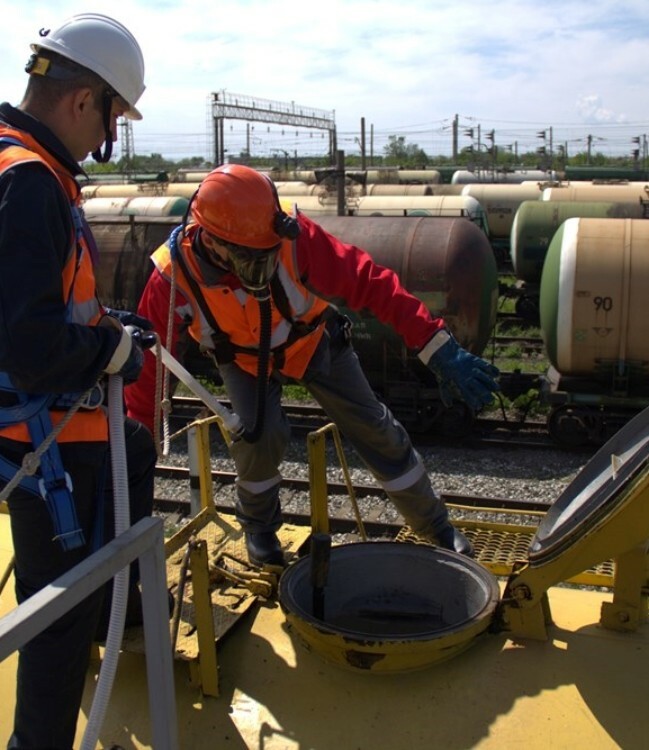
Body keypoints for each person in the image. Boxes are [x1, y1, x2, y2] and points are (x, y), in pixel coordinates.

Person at [126, 164, 500, 568]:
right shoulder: (171, 277)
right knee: (258, 440)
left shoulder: (294, 239)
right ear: (212, 242)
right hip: (245, 360)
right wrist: (139, 446)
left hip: (314, 343)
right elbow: (151, 365)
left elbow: (369, 282)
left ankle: (435, 525)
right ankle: (261, 531)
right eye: (251, 258)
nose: (264, 265)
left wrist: (436, 345)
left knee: (375, 428)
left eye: (267, 252)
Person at [0, 14, 155, 749]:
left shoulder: (9, 162)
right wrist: (110, 354)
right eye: (111, 123)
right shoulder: (31, 185)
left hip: (24, 428)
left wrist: (104, 328)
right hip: (43, 447)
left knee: (131, 439)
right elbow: (29, 345)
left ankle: (117, 609)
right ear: (82, 99)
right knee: (52, 631)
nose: (105, 143)